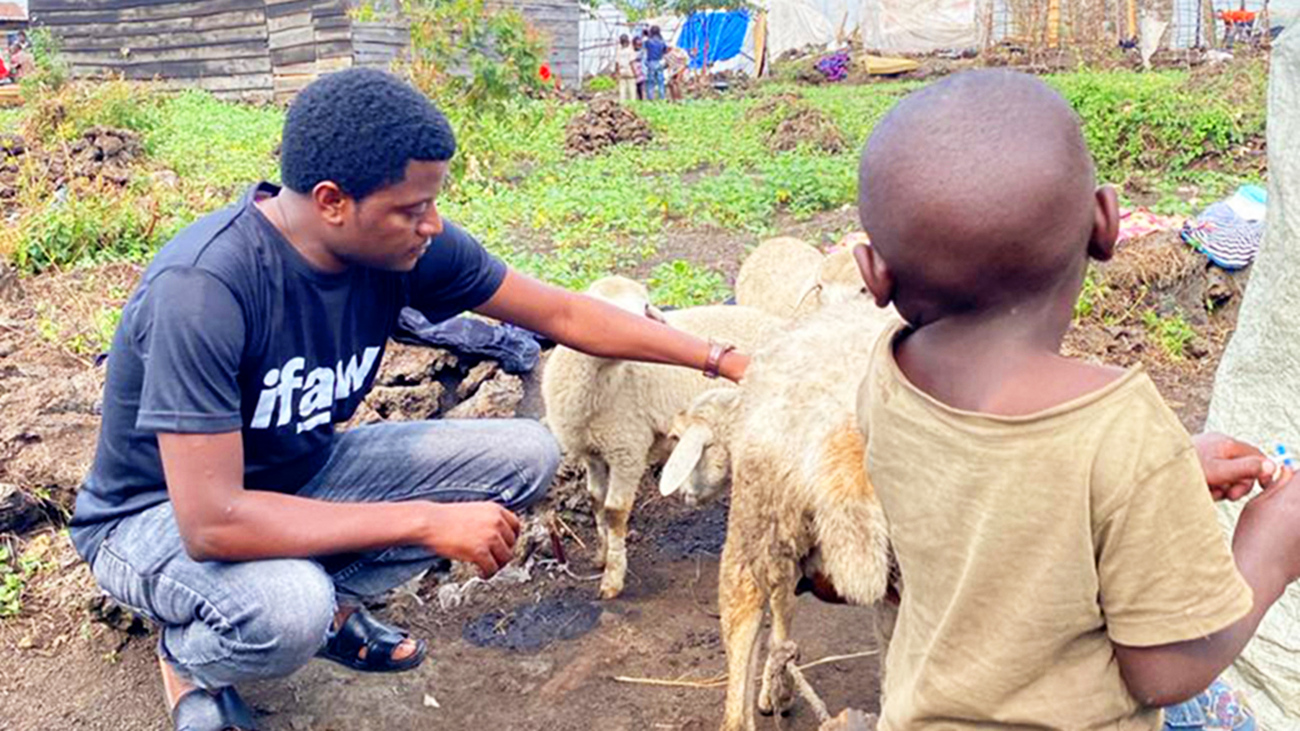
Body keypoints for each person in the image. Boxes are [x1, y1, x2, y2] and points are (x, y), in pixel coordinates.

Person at [68, 68, 750, 731]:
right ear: (333, 200)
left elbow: (565, 314)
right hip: (155, 516)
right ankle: (192, 660)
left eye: (433, 203)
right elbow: (213, 521)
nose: (432, 224)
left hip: (295, 474)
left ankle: (331, 603)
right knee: (287, 610)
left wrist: (721, 358)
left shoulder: (401, 247)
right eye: (412, 208)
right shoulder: (205, 290)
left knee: (527, 453)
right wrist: (425, 521)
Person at [853, 69, 1300, 731]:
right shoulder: (1118, 429)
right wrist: (1271, 550)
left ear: (875, 274)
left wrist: (1163, 474)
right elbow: (1164, 670)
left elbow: (999, 492)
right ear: (1106, 223)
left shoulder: (886, 376)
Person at [643, 26, 667, 101]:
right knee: (661, 82)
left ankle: (650, 98)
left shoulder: (648, 41)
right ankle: (662, 98)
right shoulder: (662, 41)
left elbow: (644, 49)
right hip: (659, 62)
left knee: (650, 82)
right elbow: (665, 51)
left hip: (651, 62)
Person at [614, 34, 637, 103]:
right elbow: (631, 62)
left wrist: (617, 73)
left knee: (622, 89)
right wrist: (635, 72)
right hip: (629, 70)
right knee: (632, 88)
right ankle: (633, 103)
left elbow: (617, 63)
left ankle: (622, 103)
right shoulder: (630, 50)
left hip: (622, 70)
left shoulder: (619, 50)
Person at [632, 35, 647, 100]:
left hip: (641, 71)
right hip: (634, 71)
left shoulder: (643, 51)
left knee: (642, 86)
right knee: (637, 87)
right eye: (637, 44)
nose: (638, 46)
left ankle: (642, 99)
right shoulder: (631, 52)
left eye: (640, 44)